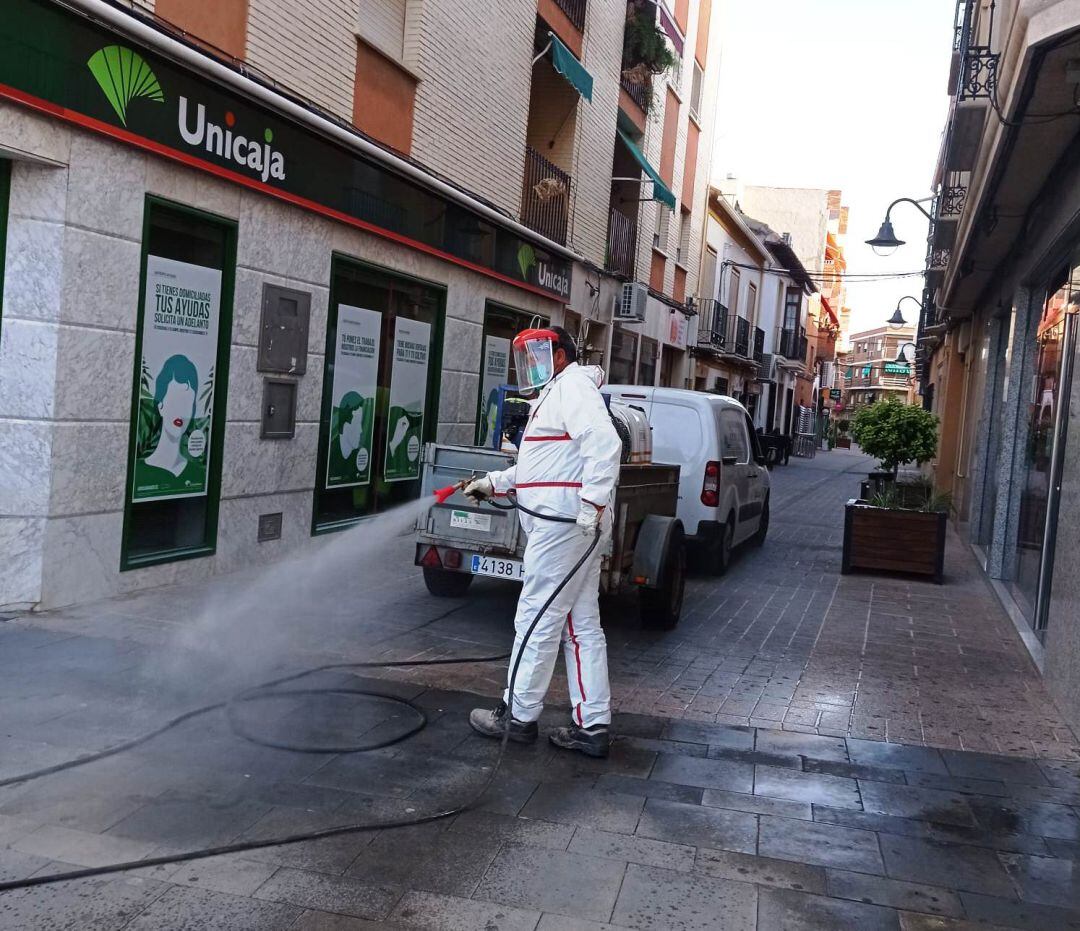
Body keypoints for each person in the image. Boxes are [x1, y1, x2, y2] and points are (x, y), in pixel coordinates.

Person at [463, 326, 622, 758]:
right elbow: (540, 469)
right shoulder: (553, 395)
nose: (529, 364)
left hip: (562, 529)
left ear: (558, 355)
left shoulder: (572, 388)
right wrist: (493, 483)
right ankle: (592, 726)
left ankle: (517, 715)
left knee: (536, 617)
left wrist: (591, 505)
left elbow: (604, 445)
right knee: (580, 626)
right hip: (572, 527)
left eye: (536, 353)